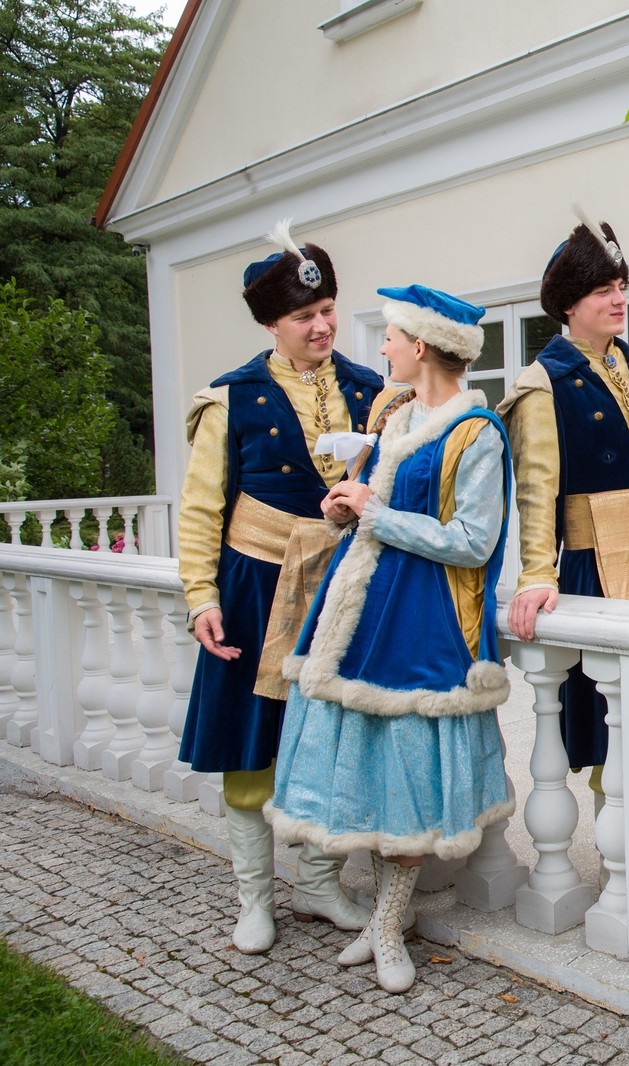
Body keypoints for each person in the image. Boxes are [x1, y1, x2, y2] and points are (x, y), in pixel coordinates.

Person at [265, 284, 515, 995]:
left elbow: (474, 541)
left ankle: (385, 925)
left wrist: (376, 513)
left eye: (391, 337)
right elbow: (373, 505)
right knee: (372, 774)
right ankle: (385, 918)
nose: (381, 348)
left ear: (422, 345)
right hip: (358, 613)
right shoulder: (393, 413)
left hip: (421, 620)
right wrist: (347, 507)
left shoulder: (477, 432)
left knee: (410, 779)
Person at [177, 221, 382, 955]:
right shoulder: (231, 398)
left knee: (335, 735)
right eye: (304, 316)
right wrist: (201, 597)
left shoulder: (372, 391)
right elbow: (201, 508)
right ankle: (255, 900)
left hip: (344, 584)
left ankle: (319, 884)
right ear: (272, 323)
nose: (322, 325)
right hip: (254, 588)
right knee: (249, 745)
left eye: (327, 310)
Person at [498, 214, 629, 812]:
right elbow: (537, 491)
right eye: (603, 290)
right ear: (568, 303)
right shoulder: (542, 384)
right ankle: (620, 847)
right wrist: (537, 573)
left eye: (621, 287)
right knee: (612, 721)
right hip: (594, 565)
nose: (619, 299)